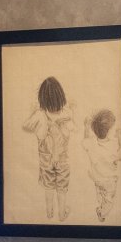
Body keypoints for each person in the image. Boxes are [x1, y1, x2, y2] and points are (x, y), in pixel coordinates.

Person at [22, 75, 77, 221]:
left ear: (42, 98)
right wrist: (70, 112)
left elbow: (25, 126)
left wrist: (37, 120)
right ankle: (62, 214)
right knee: (62, 188)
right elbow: (74, 128)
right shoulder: (66, 114)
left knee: (48, 187)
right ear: (61, 96)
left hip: (46, 160)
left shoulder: (39, 115)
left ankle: (49, 213)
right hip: (62, 159)